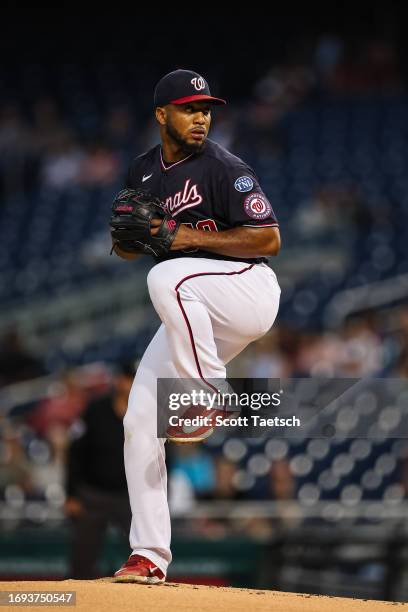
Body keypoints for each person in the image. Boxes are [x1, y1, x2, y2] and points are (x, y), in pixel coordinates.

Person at [112, 69, 281, 584]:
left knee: (167, 277)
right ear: (162, 114)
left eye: (206, 108)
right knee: (140, 420)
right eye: (189, 107)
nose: (201, 117)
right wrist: (128, 236)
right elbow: (125, 245)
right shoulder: (143, 171)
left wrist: (177, 236)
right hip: (197, 312)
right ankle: (149, 556)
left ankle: (210, 395)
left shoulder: (225, 168)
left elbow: (268, 239)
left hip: (248, 292)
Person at [64, 362, 134, 579]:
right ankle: (79, 595)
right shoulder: (95, 409)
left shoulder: (149, 409)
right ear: (118, 380)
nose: (131, 384)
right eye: (128, 378)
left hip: (130, 495)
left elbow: (163, 456)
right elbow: (75, 452)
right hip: (93, 493)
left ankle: (148, 595)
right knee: (83, 555)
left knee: (143, 549)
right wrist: (71, 494)